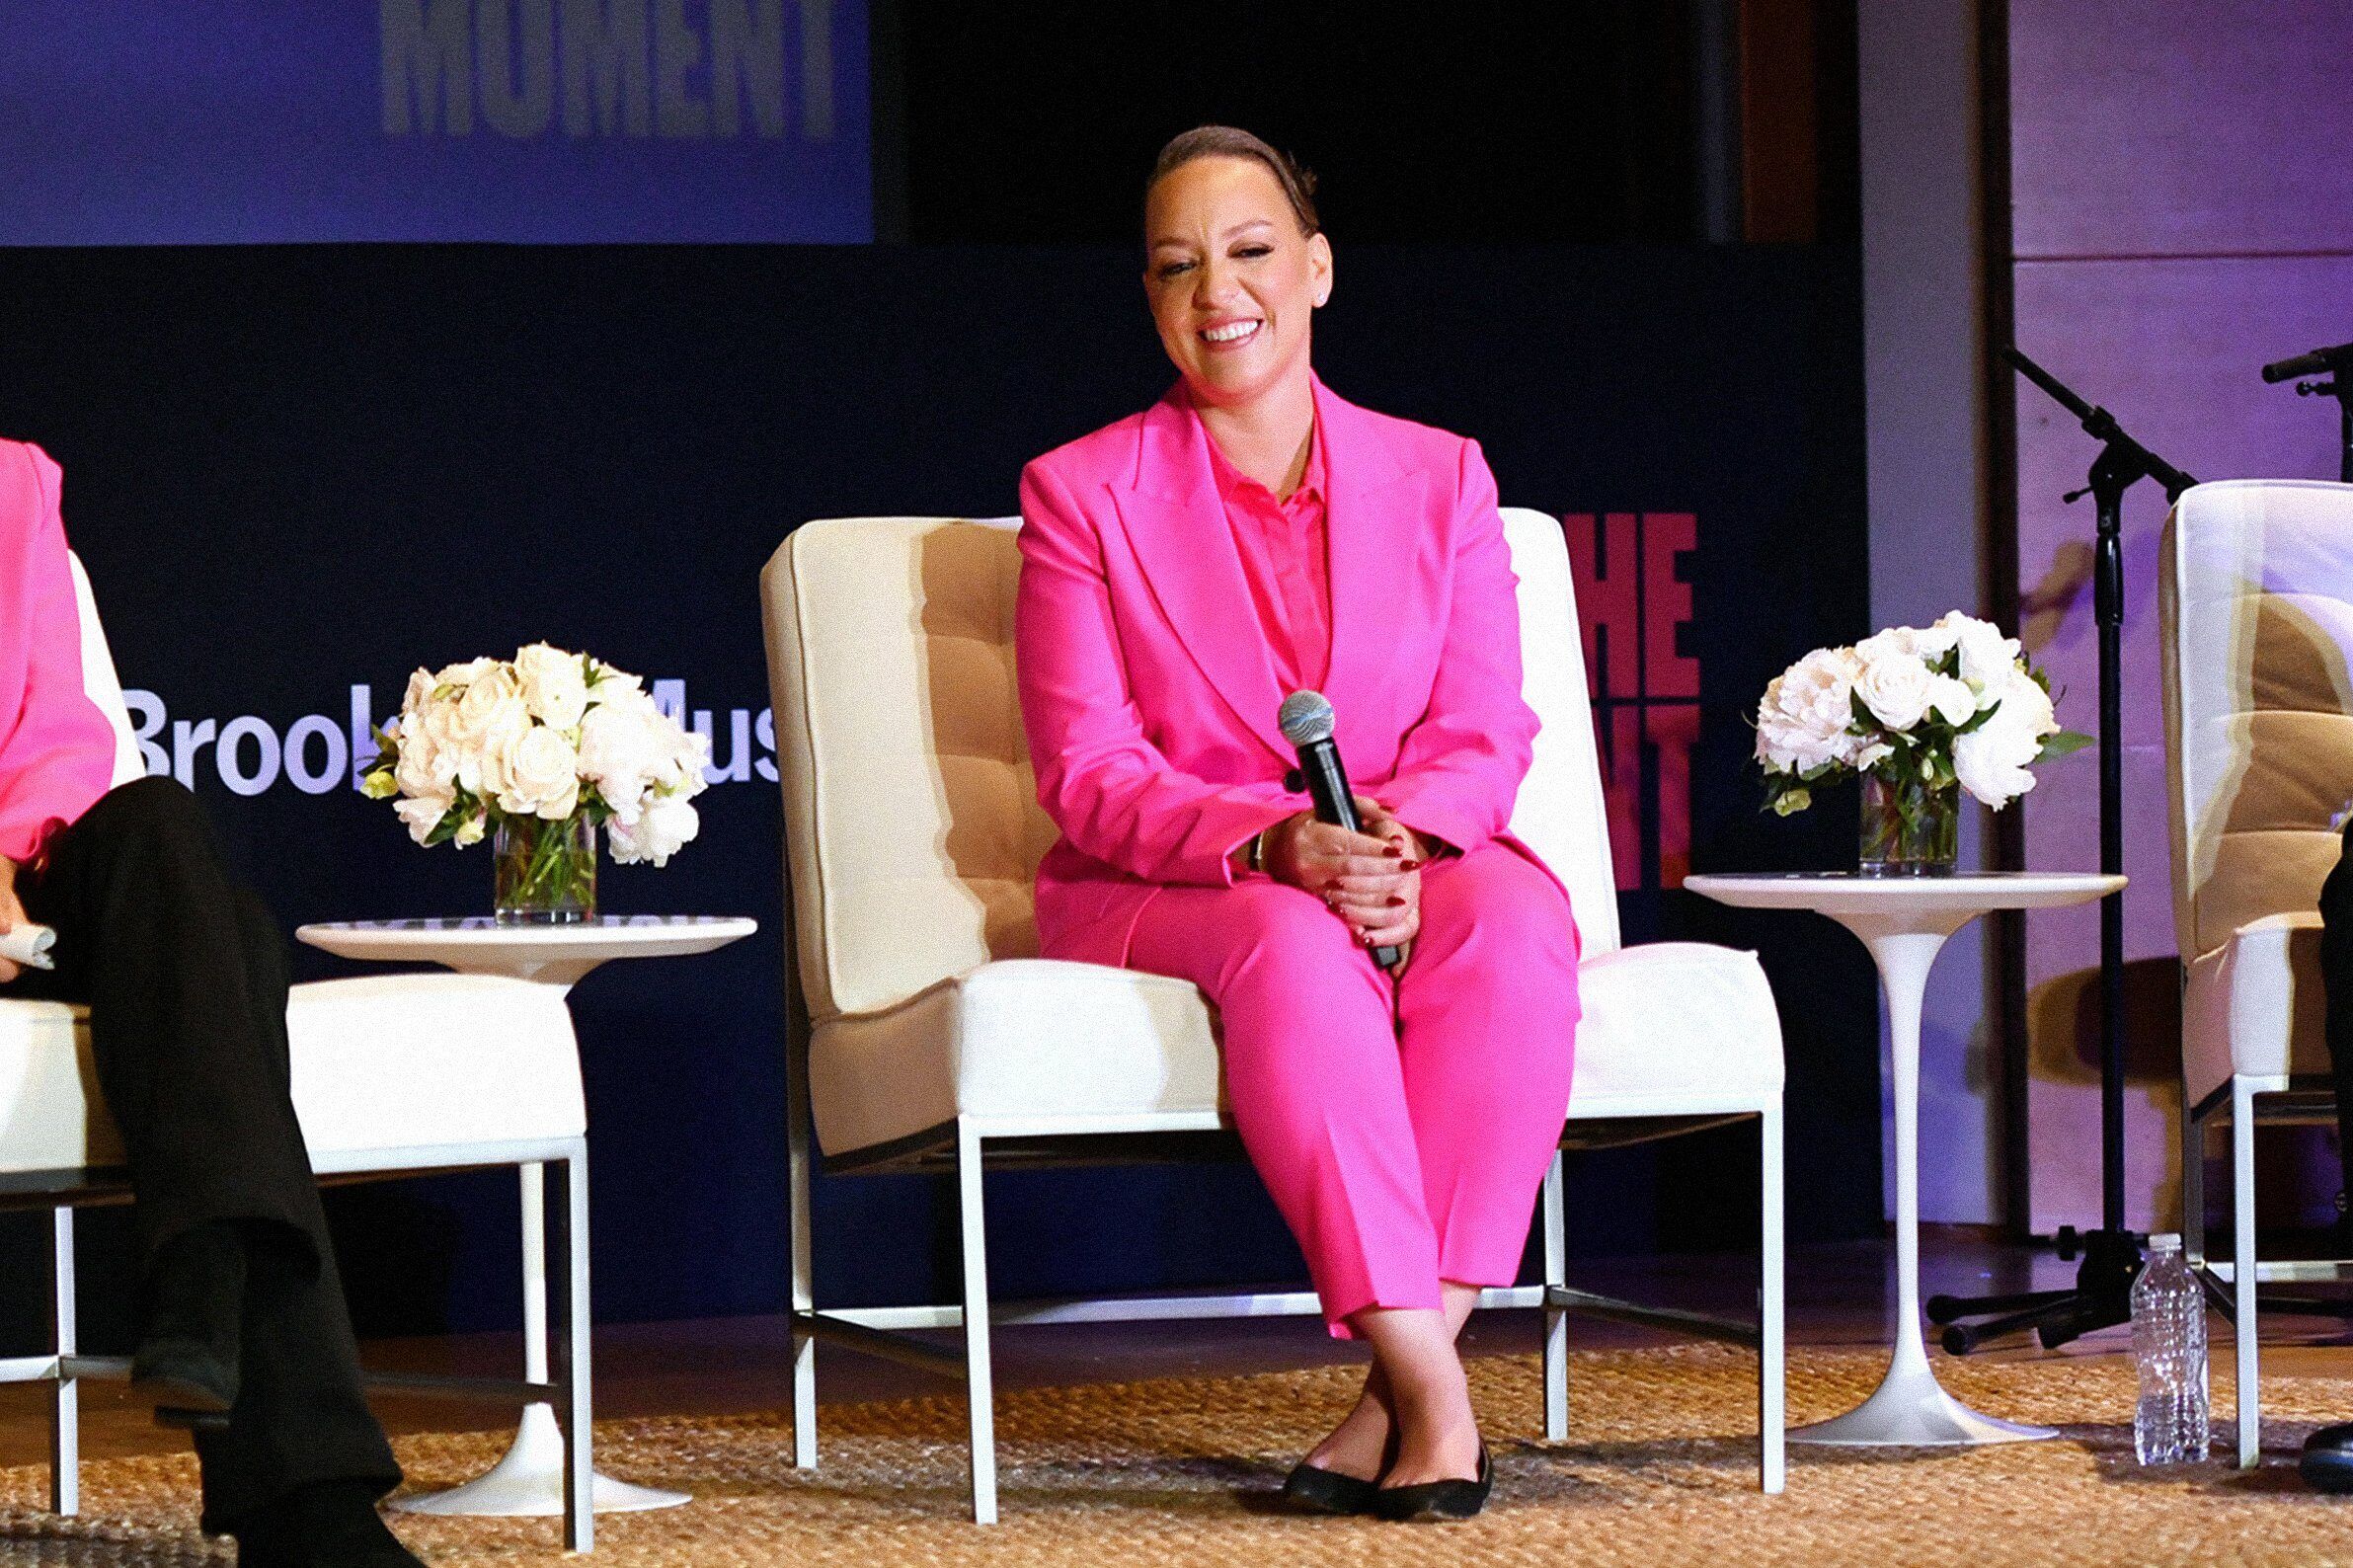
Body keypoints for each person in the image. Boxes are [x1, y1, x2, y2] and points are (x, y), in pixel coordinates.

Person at [1013, 126, 1580, 1522]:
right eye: (1177, 265)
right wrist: (1273, 842)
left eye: (1251, 251)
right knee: (1290, 937)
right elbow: (1087, 770)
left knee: (1515, 919)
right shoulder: (1079, 493)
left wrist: (1407, 846)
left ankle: (1388, 1404)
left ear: (1316, 268)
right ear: (1150, 297)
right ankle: (1436, 1397)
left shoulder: (1442, 475)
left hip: (1396, 853)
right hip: (1174, 879)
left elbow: (1482, 726)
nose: (1218, 291)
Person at [0, 438, 426, 1566]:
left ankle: (205, 1274)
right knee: (234, 941)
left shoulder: (14, 483)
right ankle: (304, 1500)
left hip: (20, 884)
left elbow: (61, 734)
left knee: (156, 824)